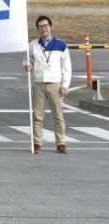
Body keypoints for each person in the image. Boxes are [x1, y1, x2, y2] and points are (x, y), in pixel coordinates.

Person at [26, 16, 71, 154]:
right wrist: (27, 65)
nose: (43, 29)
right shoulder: (33, 45)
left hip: (55, 84)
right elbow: (27, 60)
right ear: (37, 29)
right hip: (38, 84)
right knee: (38, 116)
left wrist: (65, 84)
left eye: (45, 26)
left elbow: (66, 67)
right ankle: (38, 143)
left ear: (51, 27)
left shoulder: (61, 45)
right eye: (40, 27)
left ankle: (60, 143)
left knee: (58, 115)